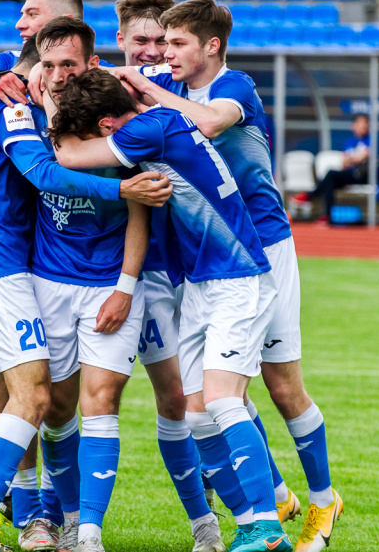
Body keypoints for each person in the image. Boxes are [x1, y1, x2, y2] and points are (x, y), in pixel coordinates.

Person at [111, 0, 342, 552]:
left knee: (282, 385)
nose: (163, 55)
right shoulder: (171, 88)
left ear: (210, 47)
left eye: (175, 44)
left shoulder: (232, 85)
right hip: (210, 259)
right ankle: (271, 500)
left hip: (266, 246)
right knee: (221, 391)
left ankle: (322, 499)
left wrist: (151, 89)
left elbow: (211, 123)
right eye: (159, 45)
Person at [0, 34, 172, 552]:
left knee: (0, 398)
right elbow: (42, 173)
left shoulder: (0, 92)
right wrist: (122, 188)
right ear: (30, 62)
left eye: (67, 63)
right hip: (0, 266)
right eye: (46, 61)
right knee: (34, 397)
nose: (56, 73)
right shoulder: (11, 101)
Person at [44, 67, 293, 552]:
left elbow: (67, 155)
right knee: (196, 414)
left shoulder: (145, 129)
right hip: (203, 280)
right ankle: (246, 524)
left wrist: (46, 101)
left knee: (222, 400)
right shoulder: (158, 123)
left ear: (106, 125)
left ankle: (267, 526)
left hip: (237, 277)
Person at [111, 0, 227, 552]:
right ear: (120, 41)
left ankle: (205, 523)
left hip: (169, 270)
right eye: (142, 41)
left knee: (179, 398)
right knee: (63, 401)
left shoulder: (180, 99)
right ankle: (47, 513)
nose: (153, 51)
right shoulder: (92, 90)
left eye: (163, 41)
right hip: (85, 271)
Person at [291, 115, 371, 225]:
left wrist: (353, 158)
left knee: (331, 174)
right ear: (354, 126)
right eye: (360, 123)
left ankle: (310, 196)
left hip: (364, 175)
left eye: (365, 124)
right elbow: (344, 162)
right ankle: (327, 217)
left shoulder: (371, 140)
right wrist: (355, 158)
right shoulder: (350, 142)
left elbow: (362, 157)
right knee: (330, 182)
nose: (363, 126)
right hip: (350, 174)